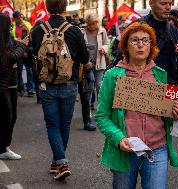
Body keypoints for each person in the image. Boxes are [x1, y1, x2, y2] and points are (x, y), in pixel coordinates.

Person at [95, 22, 178, 189]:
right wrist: (118, 137)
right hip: (125, 150)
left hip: (157, 148)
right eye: (135, 40)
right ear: (125, 46)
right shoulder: (112, 76)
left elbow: (167, 113)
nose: (141, 45)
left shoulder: (161, 74)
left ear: (151, 46)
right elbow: (102, 116)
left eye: (145, 40)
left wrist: (176, 113)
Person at [31, 0, 90, 180]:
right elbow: (84, 57)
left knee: (52, 125)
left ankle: (59, 161)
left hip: (46, 85)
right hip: (69, 84)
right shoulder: (74, 30)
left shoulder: (38, 31)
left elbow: (35, 54)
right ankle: (61, 161)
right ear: (65, 8)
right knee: (64, 125)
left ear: (47, 8)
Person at [0, 13, 28, 160]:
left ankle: (4, 146)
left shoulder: (7, 37)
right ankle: (3, 148)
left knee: (11, 115)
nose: (10, 27)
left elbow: (10, 53)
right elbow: (7, 59)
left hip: (11, 81)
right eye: (8, 25)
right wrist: (23, 45)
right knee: (7, 115)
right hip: (4, 83)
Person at [134, 0, 178, 85]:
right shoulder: (137, 27)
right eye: (163, 3)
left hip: (169, 85)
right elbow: (122, 56)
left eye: (170, 4)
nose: (168, 7)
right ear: (151, 3)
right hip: (142, 85)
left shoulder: (174, 30)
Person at [84, 13, 109, 110]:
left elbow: (107, 43)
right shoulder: (83, 31)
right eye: (90, 24)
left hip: (99, 61)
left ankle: (101, 106)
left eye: (94, 24)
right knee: (90, 85)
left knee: (99, 84)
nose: (92, 26)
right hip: (87, 62)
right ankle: (90, 103)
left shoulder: (102, 31)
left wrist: (104, 48)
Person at [11, 11, 36, 97]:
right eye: (18, 18)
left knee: (30, 71)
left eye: (21, 17)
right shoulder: (12, 26)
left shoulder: (27, 24)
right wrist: (17, 40)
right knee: (19, 71)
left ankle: (31, 89)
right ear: (15, 19)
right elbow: (11, 39)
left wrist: (26, 50)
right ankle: (21, 89)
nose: (20, 19)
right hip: (17, 52)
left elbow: (31, 36)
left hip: (27, 52)